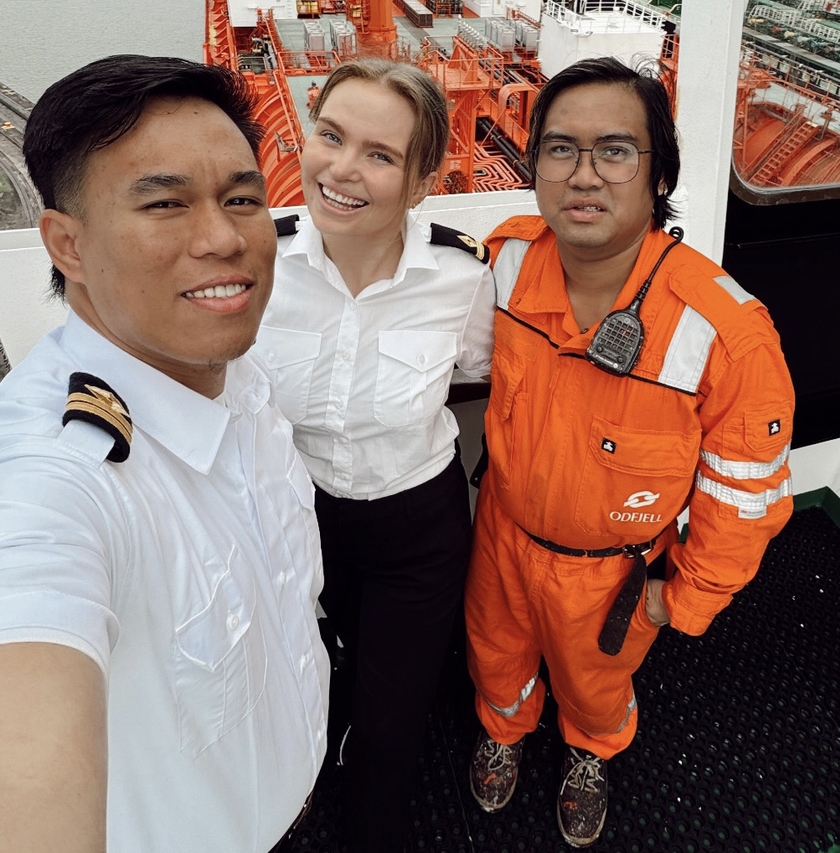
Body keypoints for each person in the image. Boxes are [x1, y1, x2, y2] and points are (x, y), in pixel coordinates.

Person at [0, 55, 330, 853]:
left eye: (242, 198)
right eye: (165, 203)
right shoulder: (56, 475)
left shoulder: (233, 370)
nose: (224, 238)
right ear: (68, 245)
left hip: (288, 804)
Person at [465, 56, 795, 848]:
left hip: (611, 574)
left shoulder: (726, 333)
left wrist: (679, 597)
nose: (583, 175)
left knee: (597, 684)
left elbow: (743, 492)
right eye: (559, 148)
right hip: (502, 536)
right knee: (495, 655)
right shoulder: (506, 260)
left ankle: (592, 749)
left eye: (614, 150)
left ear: (660, 175)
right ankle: (504, 728)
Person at [252, 58, 494, 851]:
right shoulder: (260, 262)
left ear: (421, 184)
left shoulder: (461, 275)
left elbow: (481, 368)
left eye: (381, 155)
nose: (342, 168)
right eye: (331, 136)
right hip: (300, 513)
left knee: (390, 723)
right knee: (317, 679)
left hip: (415, 526)